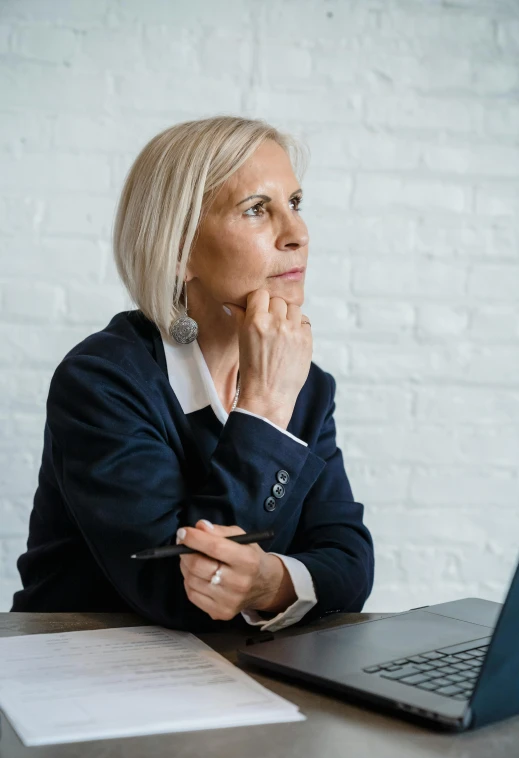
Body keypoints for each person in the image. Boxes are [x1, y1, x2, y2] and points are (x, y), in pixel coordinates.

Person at [11, 115, 374, 633]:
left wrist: (269, 581)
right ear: (180, 250)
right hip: (83, 672)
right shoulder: (101, 381)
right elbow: (177, 593)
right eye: (256, 210)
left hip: (231, 673)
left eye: (295, 204)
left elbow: (351, 563)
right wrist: (266, 405)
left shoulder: (308, 383)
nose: (297, 234)